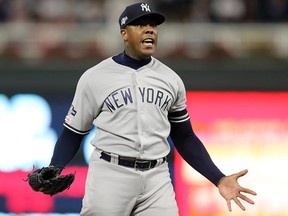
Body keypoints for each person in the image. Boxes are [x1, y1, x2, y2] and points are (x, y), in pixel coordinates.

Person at [49, 2, 256, 215]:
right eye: (140, 25)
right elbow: (73, 132)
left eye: (153, 26)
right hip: (110, 175)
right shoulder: (94, 77)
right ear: (124, 34)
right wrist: (54, 168)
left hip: (156, 178)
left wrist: (218, 178)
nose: (149, 29)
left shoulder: (171, 79)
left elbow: (184, 138)